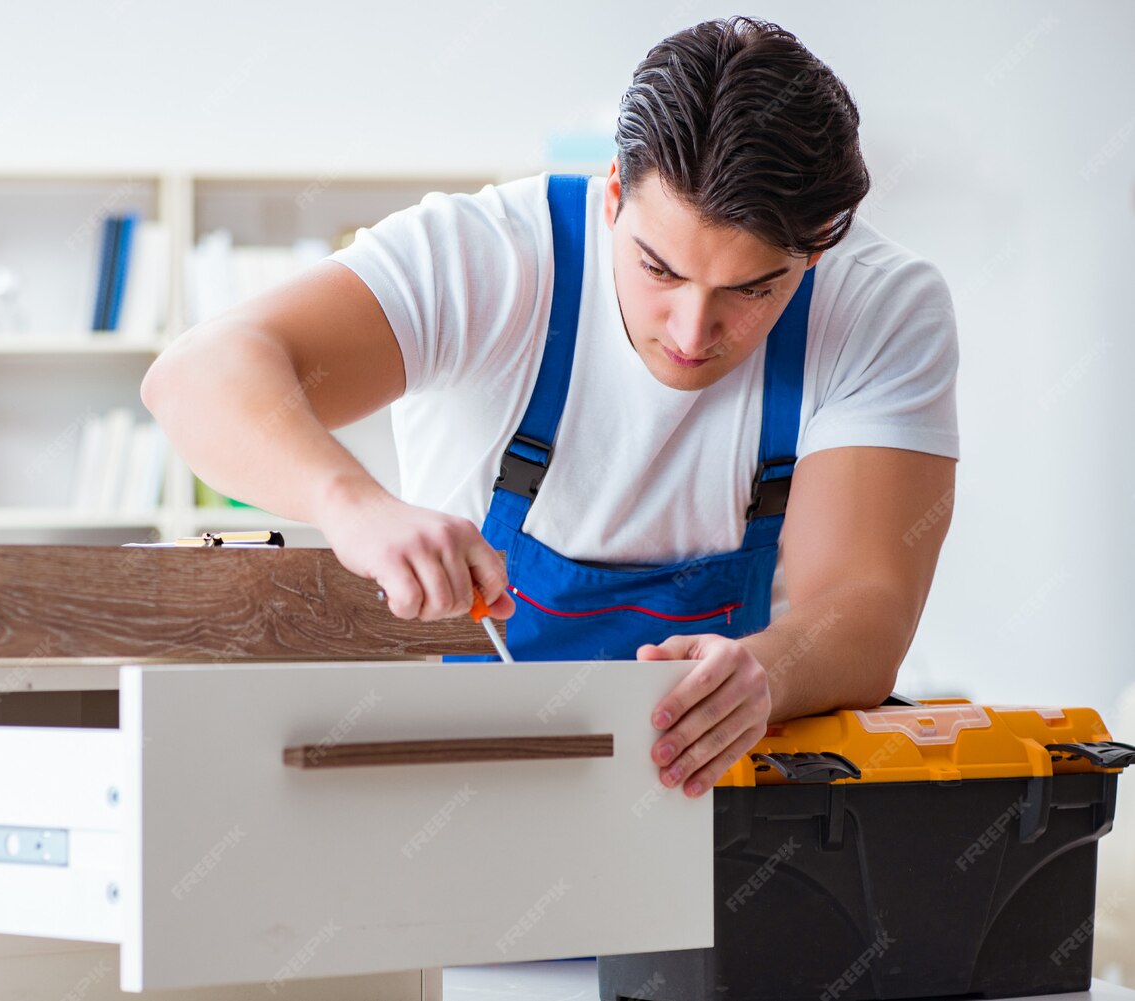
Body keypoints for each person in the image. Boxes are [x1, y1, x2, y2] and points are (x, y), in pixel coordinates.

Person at [142, 17, 958, 799]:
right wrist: (351, 506)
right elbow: (193, 376)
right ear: (613, 199)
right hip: (451, 794)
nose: (691, 329)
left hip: (719, 816)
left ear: (815, 251)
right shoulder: (488, 256)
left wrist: (768, 671)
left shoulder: (881, 307)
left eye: (751, 290)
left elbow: (864, 604)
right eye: (659, 268)